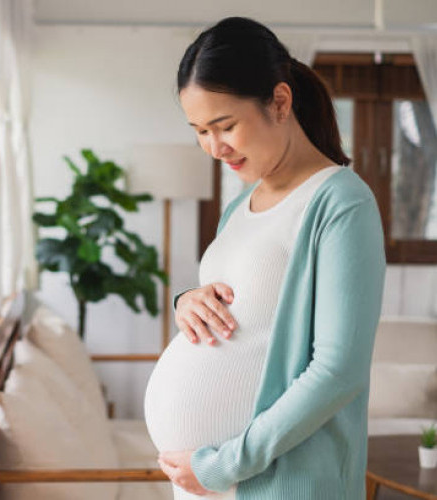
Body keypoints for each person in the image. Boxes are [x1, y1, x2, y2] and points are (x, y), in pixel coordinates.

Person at [142, 16, 386, 500]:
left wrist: (222, 464)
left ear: (279, 101)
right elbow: (247, 310)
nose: (215, 147)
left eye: (225, 125)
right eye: (200, 131)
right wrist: (186, 301)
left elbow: (338, 371)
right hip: (207, 484)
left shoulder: (340, 202)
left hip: (272, 483)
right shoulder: (239, 206)